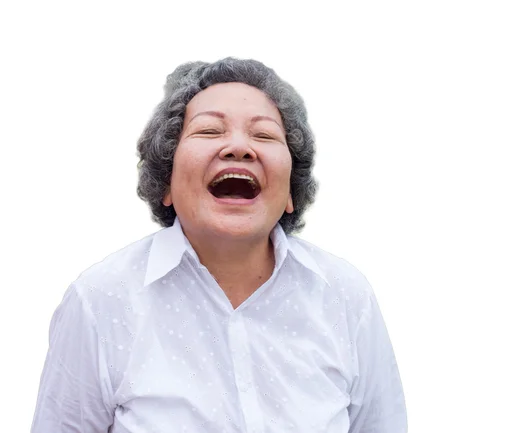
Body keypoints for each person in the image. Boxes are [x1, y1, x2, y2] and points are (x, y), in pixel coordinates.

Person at [31, 57, 407, 432]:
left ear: (291, 192)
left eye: (264, 135)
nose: (239, 147)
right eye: (210, 131)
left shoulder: (345, 296)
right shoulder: (100, 300)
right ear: (166, 181)